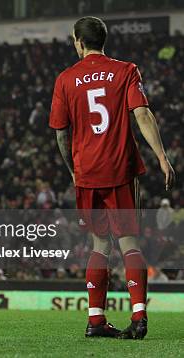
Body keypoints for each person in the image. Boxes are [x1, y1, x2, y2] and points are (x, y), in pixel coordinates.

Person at [49, 17, 175, 339]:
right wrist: (162, 156)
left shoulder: (65, 79)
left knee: (99, 245)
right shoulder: (125, 70)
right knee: (129, 242)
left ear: (79, 41)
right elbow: (142, 114)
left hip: (87, 172)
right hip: (119, 168)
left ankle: (95, 320)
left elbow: (61, 134)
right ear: (102, 40)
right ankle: (138, 316)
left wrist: (73, 170)